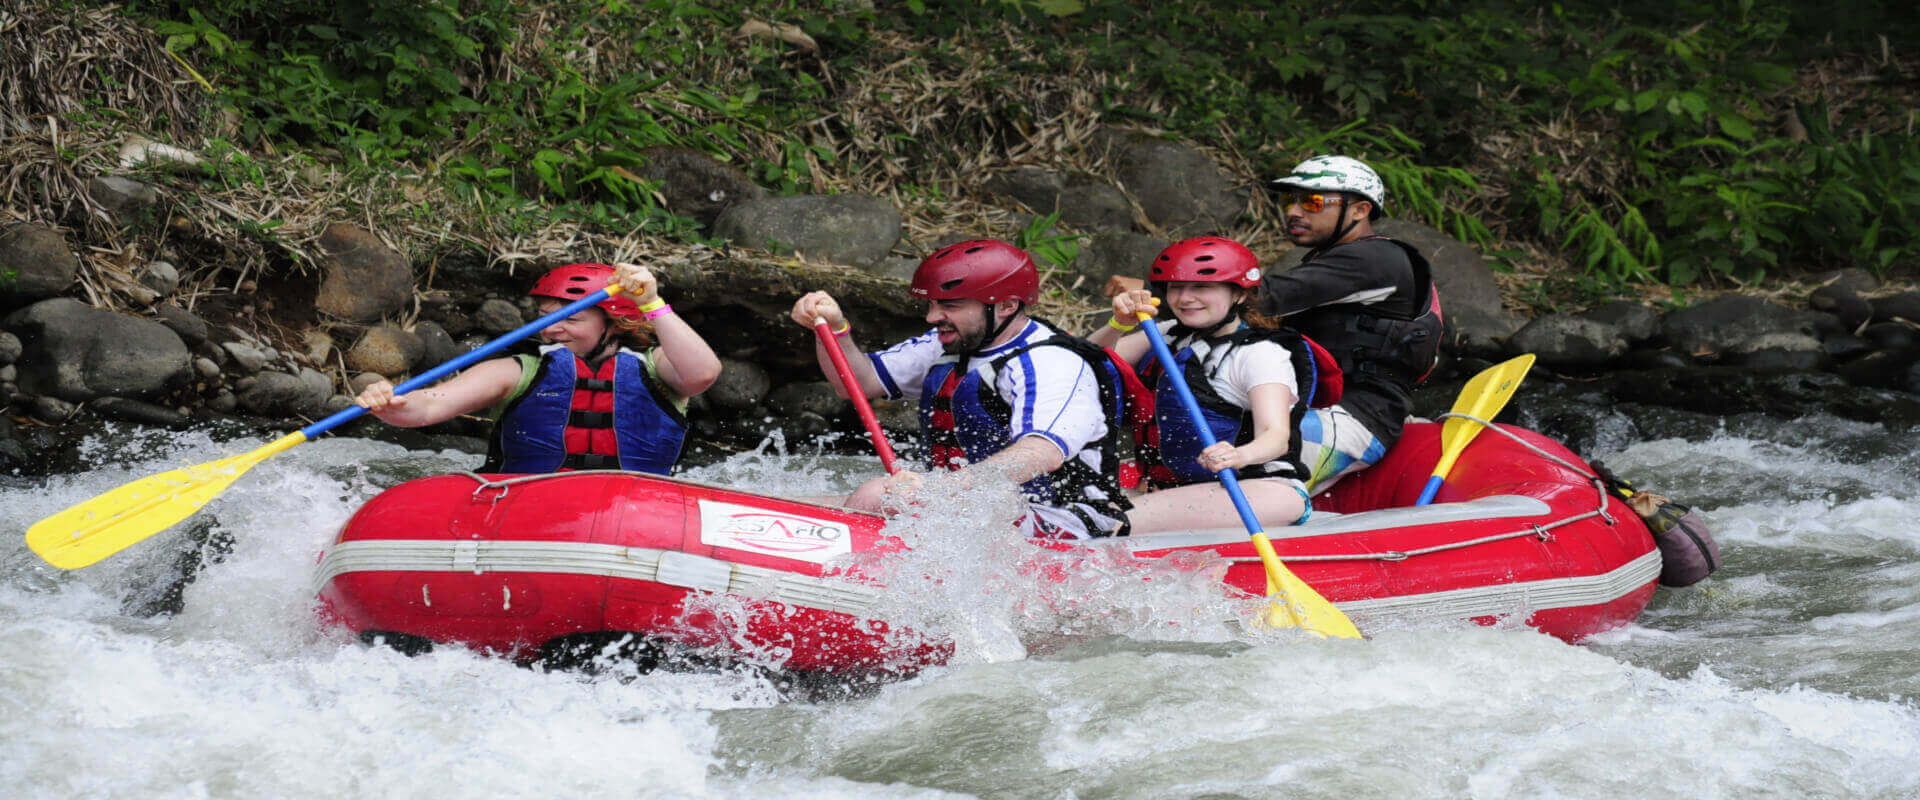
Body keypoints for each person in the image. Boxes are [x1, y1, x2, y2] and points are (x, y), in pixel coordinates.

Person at [788, 240, 1131, 539]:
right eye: (933, 304)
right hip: (982, 504)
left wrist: (940, 489)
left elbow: (1042, 453)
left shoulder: (1052, 362)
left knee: (876, 496)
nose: (932, 317)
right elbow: (858, 385)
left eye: (949, 305)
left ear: (1007, 306)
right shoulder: (952, 344)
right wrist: (834, 330)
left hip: (1068, 522)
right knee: (801, 505)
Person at [353, 262, 721, 475]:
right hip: (528, 507)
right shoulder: (517, 372)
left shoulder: (658, 370)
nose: (551, 329)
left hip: (635, 511)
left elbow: (702, 374)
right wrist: (391, 405)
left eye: (570, 319)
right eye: (545, 318)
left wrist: (651, 303)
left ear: (614, 323)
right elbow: (431, 405)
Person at [1088, 236, 1336, 533]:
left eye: (1202, 287)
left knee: (1105, 521)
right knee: (1074, 512)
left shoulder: (1261, 354)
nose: (1185, 298)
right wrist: (1117, 324)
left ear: (1240, 295)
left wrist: (1238, 455)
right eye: (1176, 287)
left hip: (1260, 490)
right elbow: (1084, 365)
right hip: (1178, 488)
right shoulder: (1168, 334)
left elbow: (1275, 436)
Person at [1258, 155, 1444, 492]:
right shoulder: (1338, 261)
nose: (1293, 212)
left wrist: (1151, 290)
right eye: (1289, 200)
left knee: (1237, 462)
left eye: (1312, 201)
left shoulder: (1374, 260)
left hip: (1355, 418)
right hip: (1311, 404)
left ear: (1359, 210)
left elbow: (1262, 297)